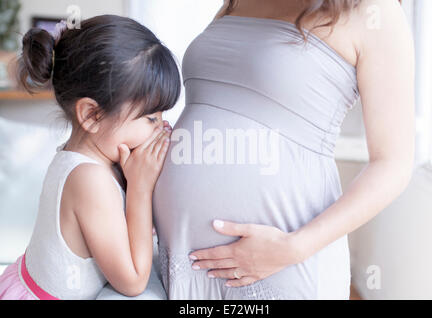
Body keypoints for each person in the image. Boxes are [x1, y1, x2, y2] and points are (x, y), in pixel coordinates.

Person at [152, 0, 415, 299]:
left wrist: (294, 248)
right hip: (186, 259)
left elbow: (393, 164)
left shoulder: (375, 11)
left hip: (282, 263)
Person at [0, 15, 180, 300]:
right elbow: (132, 281)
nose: (162, 129)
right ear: (92, 115)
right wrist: (140, 189)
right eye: (151, 118)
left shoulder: (92, 159)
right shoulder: (89, 179)